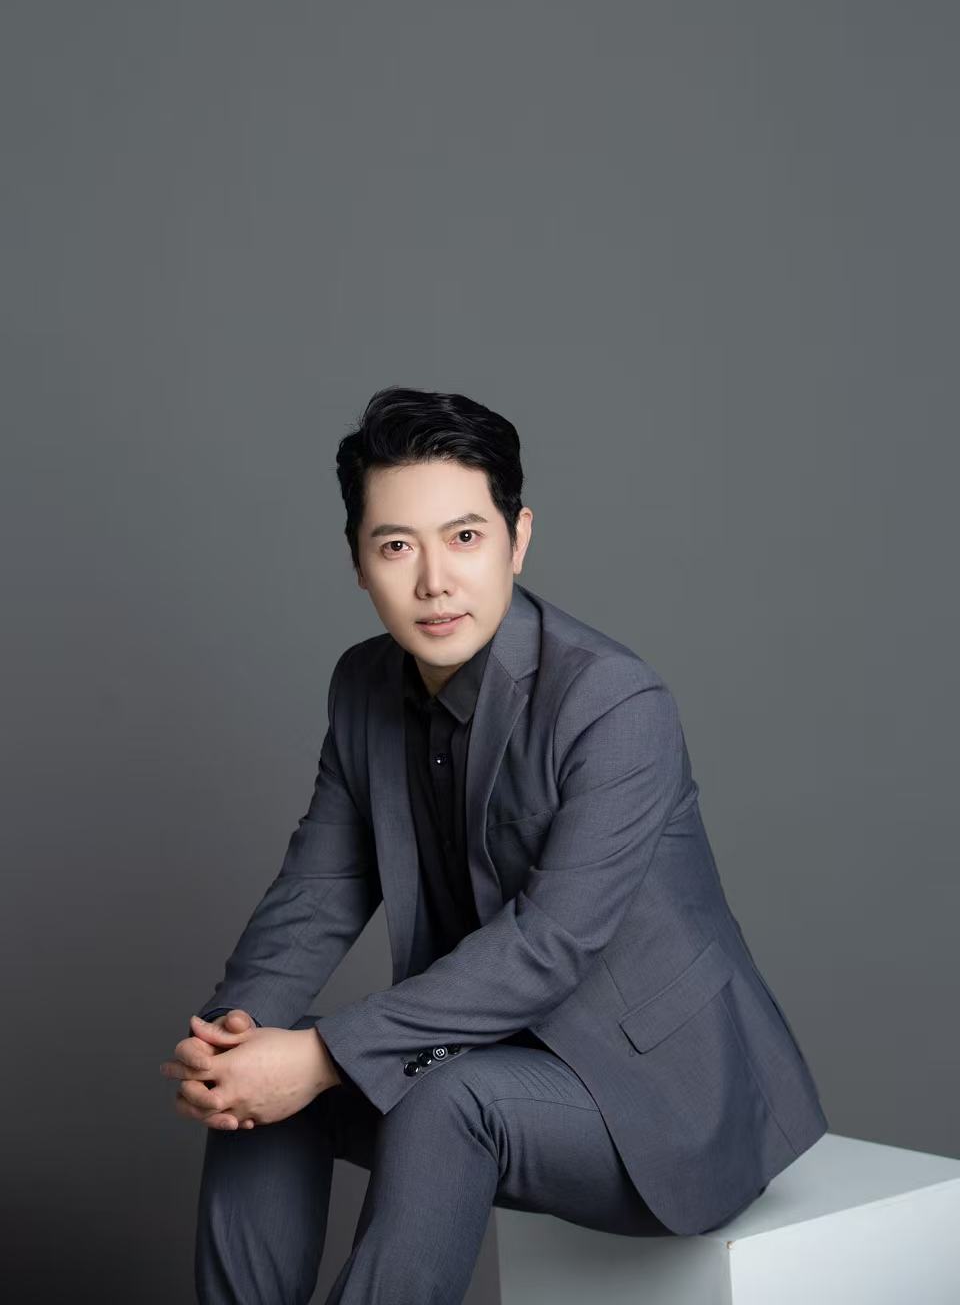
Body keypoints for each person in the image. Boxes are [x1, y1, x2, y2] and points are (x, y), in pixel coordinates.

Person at [161, 386, 828, 1304]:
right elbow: (315, 896)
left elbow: (549, 945)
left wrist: (318, 1057)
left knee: (431, 1095)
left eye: (465, 537)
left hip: (656, 1098)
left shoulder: (613, 702)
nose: (434, 581)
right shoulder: (363, 687)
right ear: (358, 562)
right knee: (269, 1087)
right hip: (477, 1053)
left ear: (517, 540)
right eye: (397, 546)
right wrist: (229, 1040)